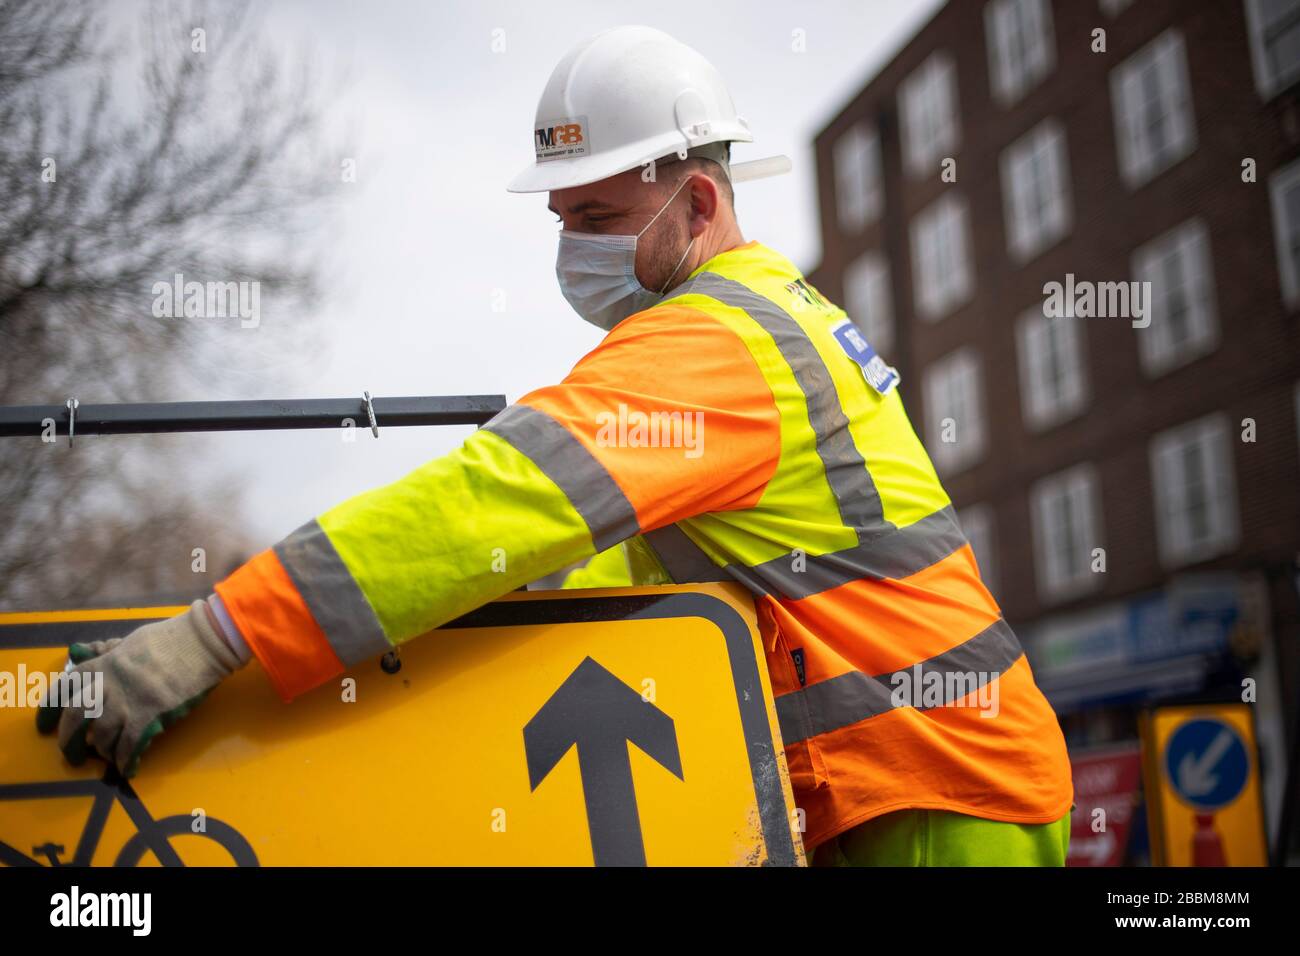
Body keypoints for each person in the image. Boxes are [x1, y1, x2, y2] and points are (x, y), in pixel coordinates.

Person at [38, 25, 1073, 866]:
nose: (570, 247)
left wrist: (209, 641)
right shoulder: (762, 318)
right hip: (937, 778)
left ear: (698, 201)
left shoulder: (710, 343)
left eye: (597, 214)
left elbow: (485, 505)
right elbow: (594, 573)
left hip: (933, 787)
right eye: (561, 216)